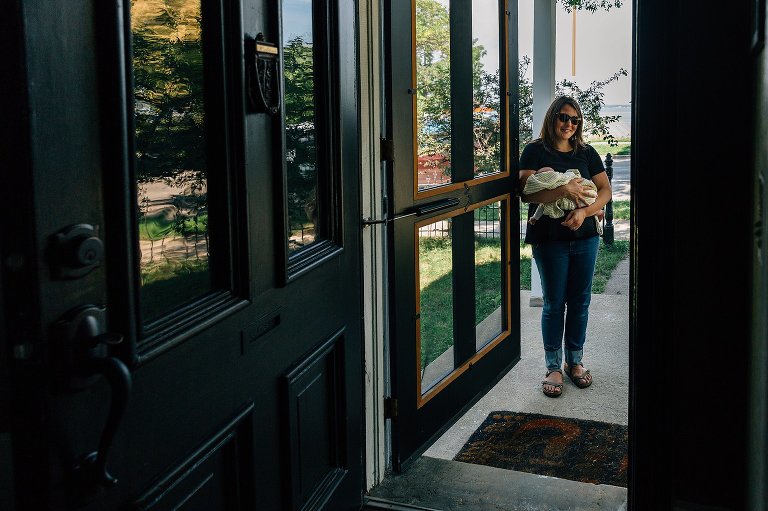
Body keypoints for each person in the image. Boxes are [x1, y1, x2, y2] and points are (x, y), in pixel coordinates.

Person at [518, 96, 612, 398]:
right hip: (550, 241)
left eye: (575, 120)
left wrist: (585, 211)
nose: (569, 124)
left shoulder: (586, 153)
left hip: (585, 239)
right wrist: (563, 189)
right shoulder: (534, 150)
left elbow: (605, 190)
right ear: (552, 117)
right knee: (554, 303)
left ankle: (575, 361)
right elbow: (526, 193)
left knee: (580, 301)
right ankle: (553, 366)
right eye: (563, 117)